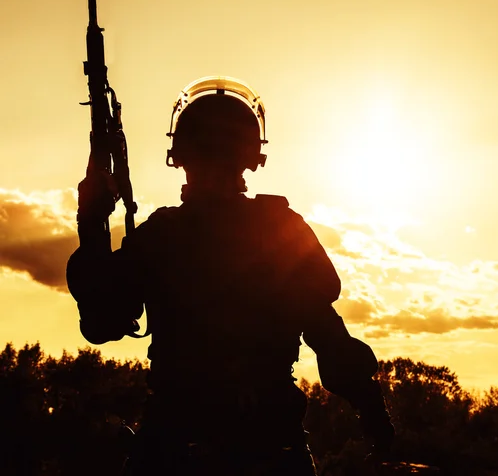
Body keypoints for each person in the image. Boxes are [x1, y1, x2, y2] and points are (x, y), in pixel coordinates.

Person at [67, 76, 394, 475]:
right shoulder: (280, 230)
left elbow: (101, 324)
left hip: (174, 450)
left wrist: (92, 221)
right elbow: (332, 343)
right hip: (271, 449)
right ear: (251, 156)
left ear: (180, 154)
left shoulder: (160, 235)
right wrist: (381, 429)